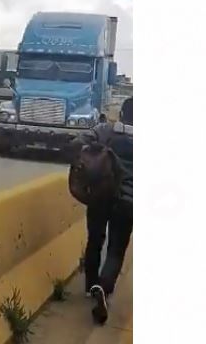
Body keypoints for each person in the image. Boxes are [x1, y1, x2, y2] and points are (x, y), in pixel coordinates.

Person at [67, 97, 133, 324]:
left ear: (122, 114)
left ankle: (90, 286)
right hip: (128, 203)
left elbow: (77, 142)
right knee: (116, 249)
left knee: (95, 239)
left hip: (100, 196)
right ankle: (104, 288)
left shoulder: (106, 130)